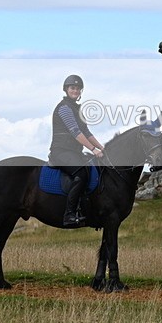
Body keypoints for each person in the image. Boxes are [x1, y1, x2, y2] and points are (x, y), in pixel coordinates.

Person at [48, 74, 104, 227]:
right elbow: (75, 132)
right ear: (66, 89)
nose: (75, 91)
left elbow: (86, 132)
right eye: (73, 88)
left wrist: (102, 148)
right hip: (61, 152)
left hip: (74, 152)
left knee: (92, 169)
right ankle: (69, 215)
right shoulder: (64, 108)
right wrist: (92, 149)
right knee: (81, 173)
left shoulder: (77, 109)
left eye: (78, 88)